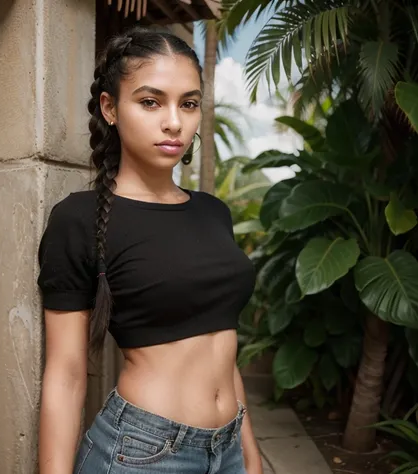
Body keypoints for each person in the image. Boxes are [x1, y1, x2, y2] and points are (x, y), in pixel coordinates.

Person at [37, 26, 263, 474]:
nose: (174, 122)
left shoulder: (214, 213)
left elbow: (221, 353)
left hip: (230, 447)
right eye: (151, 101)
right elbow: (65, 375)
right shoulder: (79, 219)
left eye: (189, 103)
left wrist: (249, 456)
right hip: (143, 452)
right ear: (110, 108)